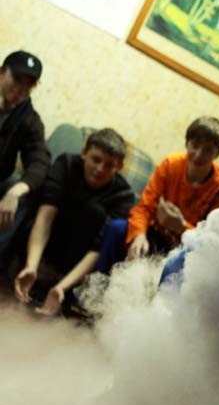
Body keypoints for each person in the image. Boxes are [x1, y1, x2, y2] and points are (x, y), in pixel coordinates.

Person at [13, 128, 134, 317]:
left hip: (78, 263)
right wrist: (31, 266)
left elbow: (97, 250)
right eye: (96, 160)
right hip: (45, 247)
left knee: (96, 215)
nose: (100, 169)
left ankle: (62, 291)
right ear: (84, 153)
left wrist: (61, 288)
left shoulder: (124, 195)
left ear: (119, 166)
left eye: (109, 165)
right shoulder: (66, 164)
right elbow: (45, 217)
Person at [97, 116, 219, 272]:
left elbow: (213, 242)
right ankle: (98, 283)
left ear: (217, 154)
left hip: (187, 250)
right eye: (195, 146)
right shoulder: (171, 164)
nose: (198, 155)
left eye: (207, 150)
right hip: (156, 234)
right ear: (187, 143)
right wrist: (139, 235)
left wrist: (182, 227)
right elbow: (144, 207)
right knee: (116, 228)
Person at [0, 50, 50, 258]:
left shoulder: (29, 119)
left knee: (24, 195)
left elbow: (40, 161)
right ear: (2, 72)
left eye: (29, 84)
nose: (21, 89)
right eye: (17, 79)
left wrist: (15, 192)